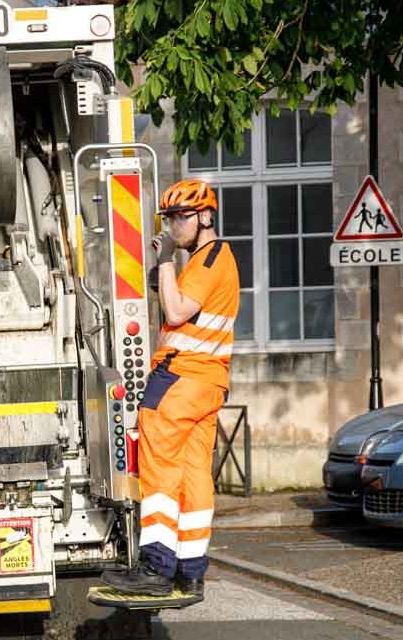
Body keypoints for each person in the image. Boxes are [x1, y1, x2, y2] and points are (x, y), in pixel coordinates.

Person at [101, 178, 239, 598]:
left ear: (205, 217)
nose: (173, 227)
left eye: (181, 218)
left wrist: (162, 263)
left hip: (179, 382)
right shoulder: (216, 259)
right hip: (207, 384)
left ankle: (155, 569)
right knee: (195, 478)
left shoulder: (210, 259)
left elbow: (177, 312)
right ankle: (190, 571)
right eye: (169, 218)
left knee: (160, 473)